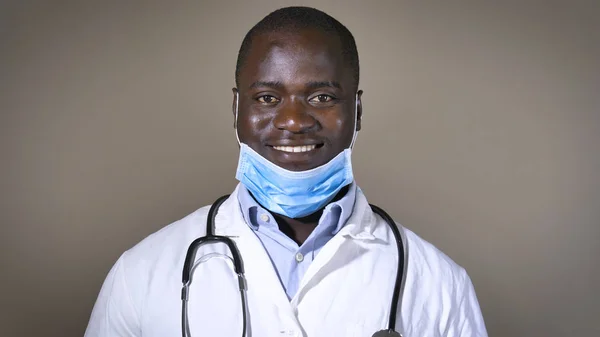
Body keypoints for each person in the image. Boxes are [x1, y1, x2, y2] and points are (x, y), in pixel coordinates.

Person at [85, 6, 488, 337]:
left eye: (322, 96)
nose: (294, 120)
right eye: (267, 97)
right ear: (237, 110)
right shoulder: (141, 274)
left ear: (357, 112)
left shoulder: (439, 284)